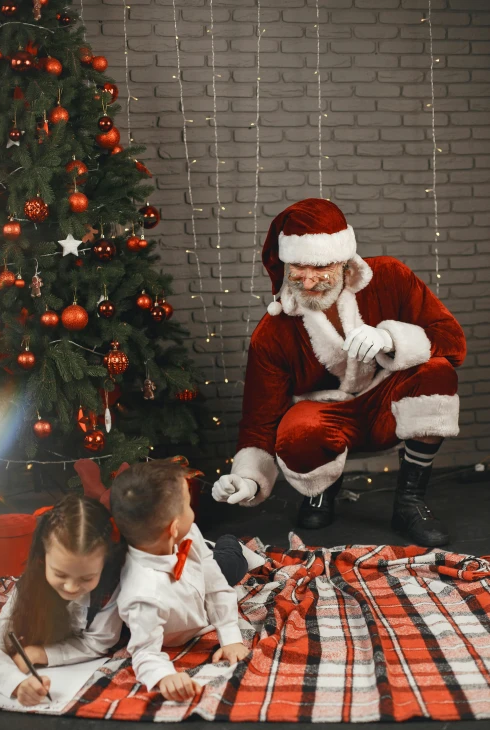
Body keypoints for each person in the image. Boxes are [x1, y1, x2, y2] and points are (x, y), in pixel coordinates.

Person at [212, 198, 466, 547]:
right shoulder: (272, 333)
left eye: (321, 267)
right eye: (298, 267)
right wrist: (248, 479)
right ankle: (321, 490)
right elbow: (259, 421)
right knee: (297, 427)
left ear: (345, 264)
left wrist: (391, 339)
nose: (309, 279)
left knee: (436, 372)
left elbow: (452, 340)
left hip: (386, 408)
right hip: (325, 421)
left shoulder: (390, 277)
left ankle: (410, 501)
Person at [111, 460, 250, 703]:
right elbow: (144, 651)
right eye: (188, 505)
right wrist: (164, 676)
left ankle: (231, 542)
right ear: (174, 528)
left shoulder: (188, 532)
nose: (192, 513)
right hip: (182, 616)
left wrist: (230, 636)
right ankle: (227, 543)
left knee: (232, 565)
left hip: (203, 575)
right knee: (224, 562)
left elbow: (216, 584)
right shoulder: (142, 595)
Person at [0, 495, 125, 707]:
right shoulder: (29, 586)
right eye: (60, 575)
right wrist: (16, 684)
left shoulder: (111, 587)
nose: (71, 588)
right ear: (43, 559)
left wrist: (43, 653)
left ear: (104, 564)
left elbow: (99, 641)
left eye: (86, 578)